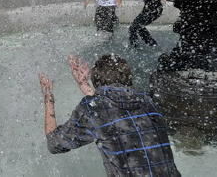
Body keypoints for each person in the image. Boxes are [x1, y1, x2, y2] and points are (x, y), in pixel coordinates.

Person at [39, 54, 181, 177]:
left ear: (96, 80)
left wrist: (48, 96)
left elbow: (54, 143)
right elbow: (114, 113)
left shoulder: (92, 108)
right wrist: (84, 86)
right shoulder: (149, 102)